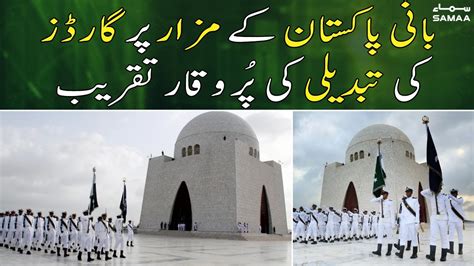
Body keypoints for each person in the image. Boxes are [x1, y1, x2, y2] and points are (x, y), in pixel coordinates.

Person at [421, 187, 450, 262]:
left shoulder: (445, 196)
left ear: (441, 188)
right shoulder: (431, 196)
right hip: (434, 218)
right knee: (432, 236)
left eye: (438, 186)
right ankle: (432, 256)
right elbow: (422, 193)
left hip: (443, 218)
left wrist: (449, 222)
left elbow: (449, 209)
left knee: (444, 237)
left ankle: (443, 256)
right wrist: (431, 187)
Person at [395, 187, 420, 259]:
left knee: (414, 237)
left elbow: (417, 212)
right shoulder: (403, 201)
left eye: (408, 192)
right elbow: (403, 212)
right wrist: (400, 216)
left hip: (412, 221)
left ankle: (414, 253)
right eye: (406, 192)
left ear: (411, 192)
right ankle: (401, 253)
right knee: (403, 237)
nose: (407, 193)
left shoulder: (415, 200)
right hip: (404, 222)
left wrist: (417, 222)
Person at [371, 190, 395, 256]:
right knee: (380, 236)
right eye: (382, 194)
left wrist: (393, 223)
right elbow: (372, 200)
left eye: (384, 194)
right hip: (381, 221)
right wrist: (380, 198)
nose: (383, 195)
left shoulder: (390, 202)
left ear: (387, 195)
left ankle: (389, 251)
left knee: (389, 236)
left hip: (388, 221)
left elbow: (392, 213)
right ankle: (379, 251)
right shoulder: (380, 201)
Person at [447, 189, 465, 255]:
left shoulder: (460, 200)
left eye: (455, 193)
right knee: (451, 236)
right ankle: (451, 250)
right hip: (451, 221)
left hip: (459, 221)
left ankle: (460, 250)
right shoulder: (448, 202)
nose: (454, 194)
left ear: (457, 194)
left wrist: (451, 196)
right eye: (452, 193)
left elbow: (459, 201)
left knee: (460, 235)